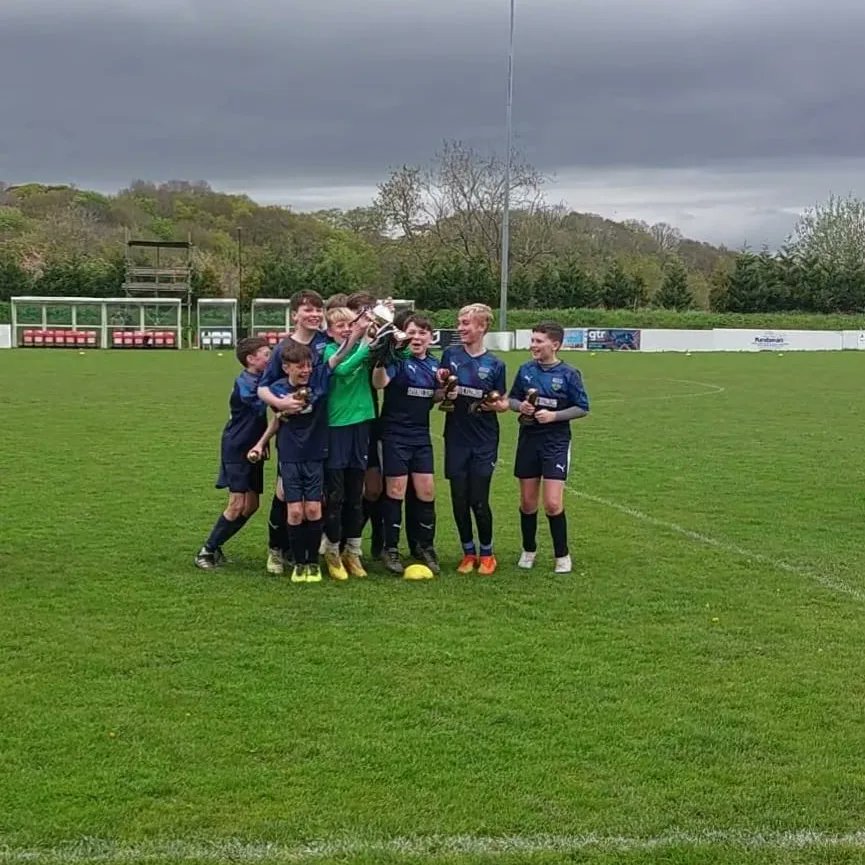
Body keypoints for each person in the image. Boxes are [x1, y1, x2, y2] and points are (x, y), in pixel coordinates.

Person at [508, 320, 590, 573]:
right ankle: (528, 549)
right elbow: (512, 399)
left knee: (553, 503)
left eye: (538, 341)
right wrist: (520, 406)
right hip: (529, 440)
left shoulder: (569, 374)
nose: (533, 345)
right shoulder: (525, 370)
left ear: (554, 344)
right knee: (527, 502)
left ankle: (562, 555)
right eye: (532, 340)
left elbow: (582, 407)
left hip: (555, 442)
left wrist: (554, 416)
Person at [257, 290, 328, 575]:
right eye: (308, 310)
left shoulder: (326, 342)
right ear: (294, 314)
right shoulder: (282, 349)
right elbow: (264, 387)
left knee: (317, 498)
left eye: (318, 309)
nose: (314, 314)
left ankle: (310, 554)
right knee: (285, 494)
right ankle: (277, 549)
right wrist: (281, 403)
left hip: (322, 430)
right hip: (291, 435)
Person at [440, 304, 508, 575]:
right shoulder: (450, 355)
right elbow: (440, 389)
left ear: (482, 327)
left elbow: (501, 400)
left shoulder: (496, 364)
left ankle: (487, 553)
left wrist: (497, 406)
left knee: (479, 499)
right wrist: (445, 392)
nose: (460, 328)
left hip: (484, 440)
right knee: (459, 498)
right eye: (459, 322)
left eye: (466, 323)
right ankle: (468, 552)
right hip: (456, 438)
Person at [194, 336, 272, 570]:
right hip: (237, 447)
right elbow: (259, 403)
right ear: (251, 359)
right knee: (237, 504)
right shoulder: (245, 382)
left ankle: (217, 545)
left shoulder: (260, 379)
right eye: (266, 355)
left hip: (254, 447)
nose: (270, 358)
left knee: (252, 505)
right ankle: (206, 550)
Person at [371, 313, 441, 575]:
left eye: (423, 333)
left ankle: (425, 546)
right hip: (394, 434)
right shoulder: (397, 360)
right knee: (396, 490)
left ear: (430, 337)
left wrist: (446, 392)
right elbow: (379, 383)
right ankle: (390, 548)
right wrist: (381, 359)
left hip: (421, 436)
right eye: (412, 332)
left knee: (426, 491)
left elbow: (434, 395)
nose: (417, 337)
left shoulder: (434, 365)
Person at [320, 305, 376, 579]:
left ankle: (352, 552)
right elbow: (342, 370)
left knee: (356, 494)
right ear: (330, 332)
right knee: (336, 495)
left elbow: (395, 355)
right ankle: (332, 550)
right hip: (337, 426)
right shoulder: (329, 351)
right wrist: (362, 342)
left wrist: (384, 332)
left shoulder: (365, 347)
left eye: (350, 324)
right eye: (339, 326)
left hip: (361, 424)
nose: (346, 329)